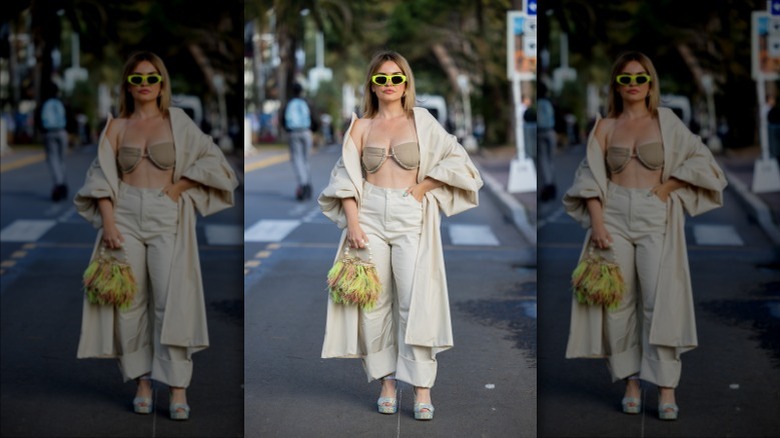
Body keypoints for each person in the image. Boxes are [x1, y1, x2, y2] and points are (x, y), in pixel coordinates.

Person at [318, 50, 483, 421]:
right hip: (370, 216)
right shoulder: (360, 127)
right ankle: (388, 382)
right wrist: (354, 224)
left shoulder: (421, 121)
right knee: (374, 304)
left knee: (414, 302)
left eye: (396, 78)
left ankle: (422, 388)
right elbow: (345, 179)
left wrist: (423, 188)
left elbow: (458, 161)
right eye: (382, 78)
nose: (389, 84)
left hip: (411, 217)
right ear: (372, 85)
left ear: (406, 83)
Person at [73, 51, 238, 421]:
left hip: (167, 216)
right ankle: (143, 382)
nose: (145, 85)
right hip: (125, 215)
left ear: (162, 83)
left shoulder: (177, 121)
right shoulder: (116, 127)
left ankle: (177, 387)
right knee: (129, 303)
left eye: (152, 78)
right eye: (137, 79)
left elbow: (214, 162)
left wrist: (179, 188)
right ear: (127, 85)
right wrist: (109, 225)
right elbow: (101, 179)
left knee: (171, 301)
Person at [562, 51, 727, 421]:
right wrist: (598, 225)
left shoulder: (666, 122)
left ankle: (666, 387)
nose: (634, 85)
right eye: (626, 79)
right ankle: (632, 381)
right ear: (616, 85)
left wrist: (668, 187)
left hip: (656, 215)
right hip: (614, 214)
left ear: (651, 83)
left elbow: (702, 162)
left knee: (659, 301)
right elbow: (589, 179)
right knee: (618, 303)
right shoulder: (605, 127)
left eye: (640, 78)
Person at [283, 82, 316, 201]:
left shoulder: (289, 103)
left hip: (293, 132)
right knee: (305, 159)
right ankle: (307, 182)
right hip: (306, 132)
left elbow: (283, 118)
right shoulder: (306, 102)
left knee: (297, 159)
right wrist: (312, 129)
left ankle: (303, 184)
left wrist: (287, 130)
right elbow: (313, 117)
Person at [40, 83, 69, 201]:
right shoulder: (60, 103)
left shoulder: (45, 104)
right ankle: (63, 182)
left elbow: (41, 120)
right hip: (62, 132)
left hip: (50, 132)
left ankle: (59, 183)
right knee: (61, 159)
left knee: (52, 158)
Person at [537, 82, 557, 201]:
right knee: (550, 160)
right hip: (550, 132)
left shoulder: (539, 104)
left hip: (541, 132)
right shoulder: (548, 103)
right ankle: (551, 184)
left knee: (543, 159)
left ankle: (547, 185)